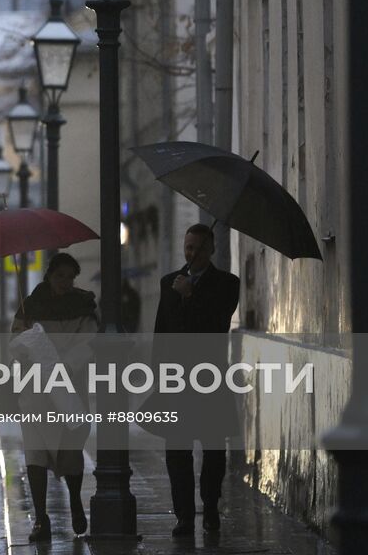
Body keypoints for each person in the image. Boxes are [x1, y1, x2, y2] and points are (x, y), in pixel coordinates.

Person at [154, 223, 240, 537]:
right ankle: (184, 516)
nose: (192, 254)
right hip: (176, 381)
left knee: (214, 449)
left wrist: (190, 296)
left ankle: (210, 505)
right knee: (177, 451)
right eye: (188, 247)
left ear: (212, 249)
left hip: (210, 379)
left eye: (199, 248)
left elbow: (215, 325)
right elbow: (162, 332)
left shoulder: (228, 284)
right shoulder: (169, 283)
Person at [11, 251, 98, 542]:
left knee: (70, 450)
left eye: (69, 277)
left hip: (70, 388)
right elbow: (15, 344)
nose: (64, 282)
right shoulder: (30, 306)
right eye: (59, 276)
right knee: (35, 454)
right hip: (35, 391)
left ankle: (75, 499)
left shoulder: (83, 306)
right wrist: (26, 343)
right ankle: (40, 518)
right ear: (49, 276)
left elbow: (91, 340)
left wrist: (66, 363)